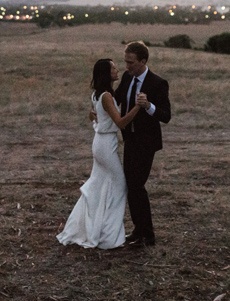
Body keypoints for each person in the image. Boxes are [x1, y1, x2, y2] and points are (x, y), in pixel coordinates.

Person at [57, 59, 141, 249]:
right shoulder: (105, 96)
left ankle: (97, 229)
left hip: (103, 143)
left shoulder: (98, 95)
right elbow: (120, 123)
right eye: (113, 67)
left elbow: (97, 116)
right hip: (104, 146)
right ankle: (109, 236)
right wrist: (138, 106)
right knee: (119, 187)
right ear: (105, 72)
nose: (117, 69)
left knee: (100, 187)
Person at [115, 41, 170, 248]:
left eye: (130, 63)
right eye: (125, 62)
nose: (127, 67)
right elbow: (116, 98)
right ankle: (139, 230)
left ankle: (148, 235)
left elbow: (166, 116)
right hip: (129, 139)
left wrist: (149, 106)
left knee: (137, 185)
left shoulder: (157, 83)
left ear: (143, 61)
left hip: (146, 142)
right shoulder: (127, 78)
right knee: (131, 186)